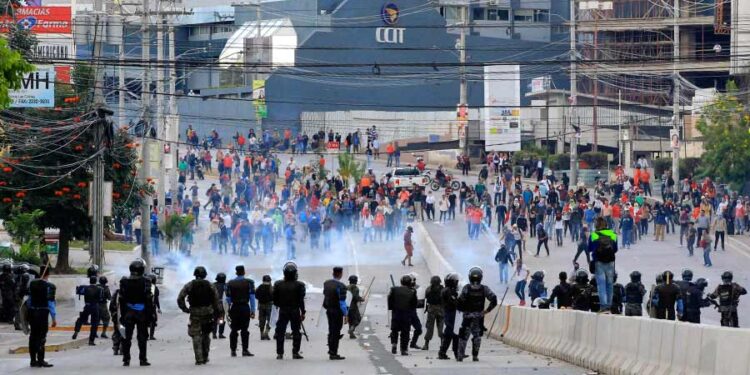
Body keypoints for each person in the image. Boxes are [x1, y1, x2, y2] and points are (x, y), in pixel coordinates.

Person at [177, 266, 222, 365]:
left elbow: (180, 298)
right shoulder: (210, 285)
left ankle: (199, 359)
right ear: (204, 275)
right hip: (208, 313)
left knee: (196, 335)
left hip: (195, 313)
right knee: (206, 335)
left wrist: (185, 309)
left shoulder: (190, 285)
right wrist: (218, 313)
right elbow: (216, 300)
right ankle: (205, 356)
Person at [456, 267, 497, 362]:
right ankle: (475, 356)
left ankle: (460, 356)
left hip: (467, 317)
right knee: (477, 337)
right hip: (479, 318)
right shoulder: (484, 289)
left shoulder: (466, 288)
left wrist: (462, 310)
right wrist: (486, 311)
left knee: (463, 337)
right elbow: (494, 299)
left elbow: (460, 301)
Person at [118, 259, 154, 366]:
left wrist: (122, 315)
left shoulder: (124, 281)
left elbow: (121, 299)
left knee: (126, 337)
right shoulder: (146, 281)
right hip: (142, 313)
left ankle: (126, 359)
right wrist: (150, 315)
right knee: (142, 337)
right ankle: (142, 359)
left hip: (128, 312)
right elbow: (149, 299)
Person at [273, 262, 306, 359]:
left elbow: (275, 300)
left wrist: (281, 305)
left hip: (283, 310)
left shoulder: (278, 284)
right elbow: (301, 300)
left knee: (280, 332)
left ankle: (280, 353)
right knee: (296, 331)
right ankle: (295, 352)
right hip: (295, 310)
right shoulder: (300, 285)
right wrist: (303, 312)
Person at [26, 265, 56, 368]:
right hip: (43, 314)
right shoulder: (50, 286)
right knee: (42, 337)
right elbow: (51, 304)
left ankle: (33, 360)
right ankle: (41, 360)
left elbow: (28, 300)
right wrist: (54, 318)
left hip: (32, 313)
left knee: (33, 336)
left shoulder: (32, 284)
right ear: (48, 274)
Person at [226, 265, 256, 357]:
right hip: (244, 308)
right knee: (244, 330)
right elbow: (252, 298)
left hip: (234, 308)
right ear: (244, 272)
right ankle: (245, 350)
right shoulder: (249, 282)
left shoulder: (230, 283)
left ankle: (233, 350)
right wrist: (253, 310)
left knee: (234, 330)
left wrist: (228, 310)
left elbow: (228, 299)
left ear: (236, 272)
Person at [589, 217, 618, 313]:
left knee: (601, 285)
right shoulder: (613, 234)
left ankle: (603, 307)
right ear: (606, 225)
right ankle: (609, 306)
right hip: (610, 262)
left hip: (598, 262)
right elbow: (615, 249)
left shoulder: (594, 235)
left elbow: (589, 248)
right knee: (610, 284)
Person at [388, 274, 418, 356]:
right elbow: (414, 304)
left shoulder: (394, 289)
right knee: (405, 332)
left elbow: (390, 300)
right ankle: (403, 349)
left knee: (394, 330)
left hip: (396, 313)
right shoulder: (412, 291)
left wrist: (392, 308)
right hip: (406, 314)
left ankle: (394, 343)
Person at [323, 266, 348, 360]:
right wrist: (346, 314)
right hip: (337, 311)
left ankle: (331, 349)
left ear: (333, 273)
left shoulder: (326, 283)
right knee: (336, 331)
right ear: (340, 274)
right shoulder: (341, 286)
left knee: (331, 330)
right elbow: (342, 302)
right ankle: (333, 353)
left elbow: (325, 296)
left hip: (329, 310)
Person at [72, 276, 101, 345]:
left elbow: (79, 293)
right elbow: (100, 298)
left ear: (89, 281)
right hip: (95, 306)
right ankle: (91, 340)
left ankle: (76, 331)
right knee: (95, 323)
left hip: (86, 306)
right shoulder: (99, 289)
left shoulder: (85, 288)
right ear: (96, 281)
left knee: (81, 319)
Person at [438, 273, 459, 360]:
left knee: (453, 334)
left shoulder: (445, 290)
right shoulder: (449, 291)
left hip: (448, 313)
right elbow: (454, 302)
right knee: (451, 334)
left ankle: (456, 352)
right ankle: (444, 352)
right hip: (451, 313)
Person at [422, 276, 444, 350]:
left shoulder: (428, 289)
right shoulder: (443, 289)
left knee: (429, 328)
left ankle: (426, 344)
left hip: (431, 310)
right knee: (441, 328)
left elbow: (426, 299)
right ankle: (442, 345)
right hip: (441, 310)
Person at [255, 275, 273, 341]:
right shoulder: (272, 288)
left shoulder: (259, 287)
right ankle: (266, 333)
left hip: (261, 305)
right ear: (270, 280)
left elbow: (256, 296)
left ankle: (262, 334)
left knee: (261, 320)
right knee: (270, 320)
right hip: (269, 305)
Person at [346, 275, 364, 339]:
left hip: (346, 306)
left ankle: (351, 334)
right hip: (353, 306)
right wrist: (361, 299)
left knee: (350, 320)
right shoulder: (355, 288)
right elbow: (355, 297)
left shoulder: (346, 287)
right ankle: (352, 329)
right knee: (357, 319)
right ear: (356, 281)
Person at [212, 273, 227, 339]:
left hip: (214, 304)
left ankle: (214, 334)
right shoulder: (225, 286)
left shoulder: (213, 285)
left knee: (214, 319)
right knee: (221, 319)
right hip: (222, 305)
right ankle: (220, 334)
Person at [147, 274, 161, 340]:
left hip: (145, 307)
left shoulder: (145, 286)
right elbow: (156, 299)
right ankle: (151, 336)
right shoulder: (154, 288)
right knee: (153, 321)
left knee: (145, 321)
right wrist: (158, 308)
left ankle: (146, 336)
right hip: (151, 307)